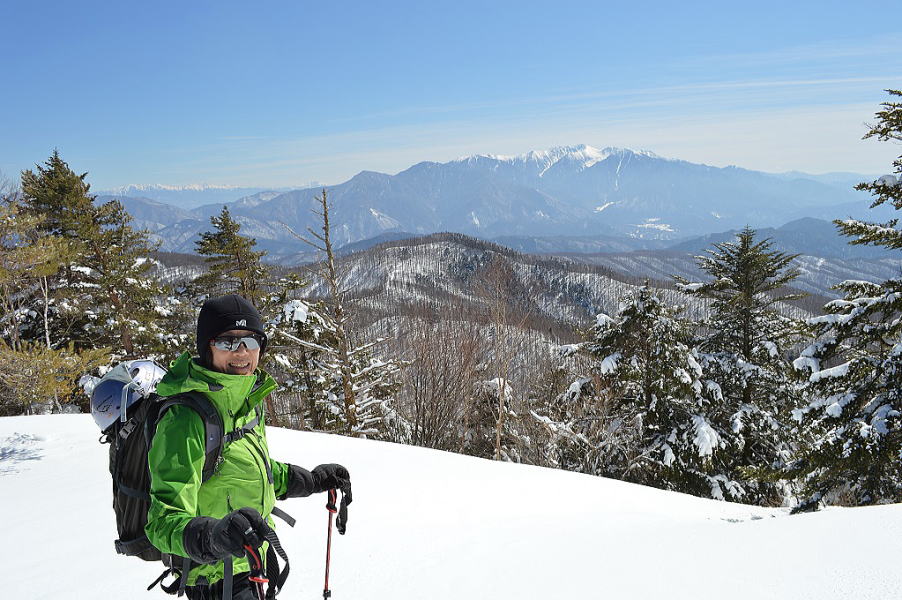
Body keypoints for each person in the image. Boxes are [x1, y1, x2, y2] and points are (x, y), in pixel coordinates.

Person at [145, 294, 351, 599]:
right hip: (216, 580)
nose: (242, 352)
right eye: (228, 341)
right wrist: (215, 536)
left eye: (251, 341)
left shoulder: (247, 401)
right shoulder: (185, 419)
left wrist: (313, 480)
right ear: (207, 347)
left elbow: (251, 474)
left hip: (252, 564)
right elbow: (162, 522)